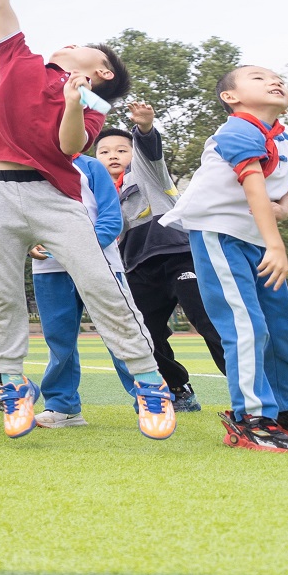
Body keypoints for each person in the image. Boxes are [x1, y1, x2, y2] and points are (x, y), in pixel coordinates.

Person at [0, 0, 170, 439]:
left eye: (90, 49)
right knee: (1, 294)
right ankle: (13, 383)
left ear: (100, 71)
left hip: (51, 195)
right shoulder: (19, 58)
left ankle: (149, 381)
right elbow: (0, 3)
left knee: (101, 285)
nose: (74, 43)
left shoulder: (92, 98)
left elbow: (70, 147)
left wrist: (75, 102)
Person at [162, 66, 288, 452]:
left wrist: (283, 212)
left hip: (255, 238)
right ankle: (251, 417)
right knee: (246, 326)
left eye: (277, 77)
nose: (274, 80)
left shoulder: (284, 138)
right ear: (231, 97)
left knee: (286, 327)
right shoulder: (238, 128)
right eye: (258, 78)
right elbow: (253, 183)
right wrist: (276, 244)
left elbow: (283, 193)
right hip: (221, 234)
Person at [99, 105, 223, 412]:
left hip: (178, 256)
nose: (112, 155)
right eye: (103, 152)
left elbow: (150, 152)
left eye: (121, 149)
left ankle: (254, 396)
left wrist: (144, 129)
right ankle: (179, 390)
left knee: (209, 323)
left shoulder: (144, 173)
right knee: (143, 335)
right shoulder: (100, 192)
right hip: (138, 268)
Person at [29, 153, 136, 427]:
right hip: (49, 269)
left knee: (121, 335)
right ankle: (63, 407)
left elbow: (112, 219)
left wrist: (77, 249)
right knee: (59, 341)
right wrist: (28, 242)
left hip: (100, 263)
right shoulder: (28, 166)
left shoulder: (90, 166)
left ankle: (149, 402)